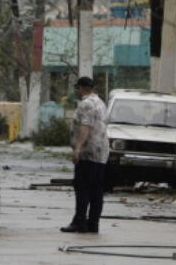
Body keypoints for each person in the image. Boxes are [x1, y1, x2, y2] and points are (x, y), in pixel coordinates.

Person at [61, 76, 109, 234]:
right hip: (101, 153)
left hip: (88, 152)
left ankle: (80, 222)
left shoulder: (86, 104)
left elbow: (85, 127)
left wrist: (78, 148)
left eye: (78, 88)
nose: (77, 91)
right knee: (96, 190)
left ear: (81, 88)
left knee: (82, 188)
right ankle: (93, 224)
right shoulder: (100, 103)